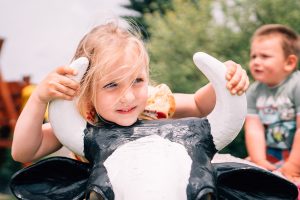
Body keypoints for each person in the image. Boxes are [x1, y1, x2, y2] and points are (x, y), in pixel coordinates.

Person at [11, 21, 249, 164]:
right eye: (111, 85)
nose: (128, 97)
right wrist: (38, 98)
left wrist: (225, 78)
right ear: (85, 87)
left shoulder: (153, 102)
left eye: (137, 81)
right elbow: (23, 151)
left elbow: (199, 104)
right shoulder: (81, 118)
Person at [245, 24, 300, 184]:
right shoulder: (253, 92)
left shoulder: (297, 85)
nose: (256, 61)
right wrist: (259, 161)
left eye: (265, 56)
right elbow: (254, 130)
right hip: (274, 154)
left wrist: (294, 166)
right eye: (253, 56)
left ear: (289, 63)